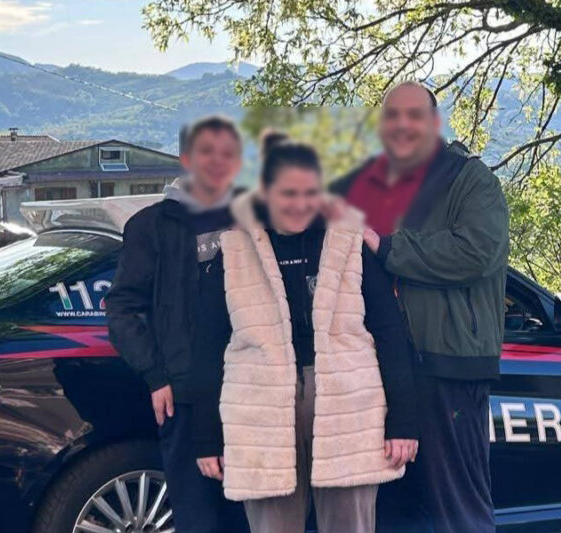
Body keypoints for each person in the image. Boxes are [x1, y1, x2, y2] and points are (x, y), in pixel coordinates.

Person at [191, 136, 419, 533]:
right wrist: (206, 435)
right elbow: (207, 347)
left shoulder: (349, 243)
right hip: (260, 411)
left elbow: (390, 333)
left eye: (309, 193)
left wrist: (403, 419)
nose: (299, 204)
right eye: (288, 193)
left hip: (348, 407)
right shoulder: (234, 252)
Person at [330, 81, 510, 533]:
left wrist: (388, 247)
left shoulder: (469, 179)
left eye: (414, 115)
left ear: (434, 122)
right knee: (389, 510)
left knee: (457, 509)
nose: (403, 125)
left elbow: (476, 252)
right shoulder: (368, 184)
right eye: (392, 116)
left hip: (448, 367)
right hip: (377, 369)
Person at [105, 115, 249, 533]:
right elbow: (122, 306)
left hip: (249, 390)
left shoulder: (252, 219)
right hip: (184, 395)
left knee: (250, 516)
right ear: (186, 159)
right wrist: (156, 375)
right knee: (199, 517)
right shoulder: (151, 225)